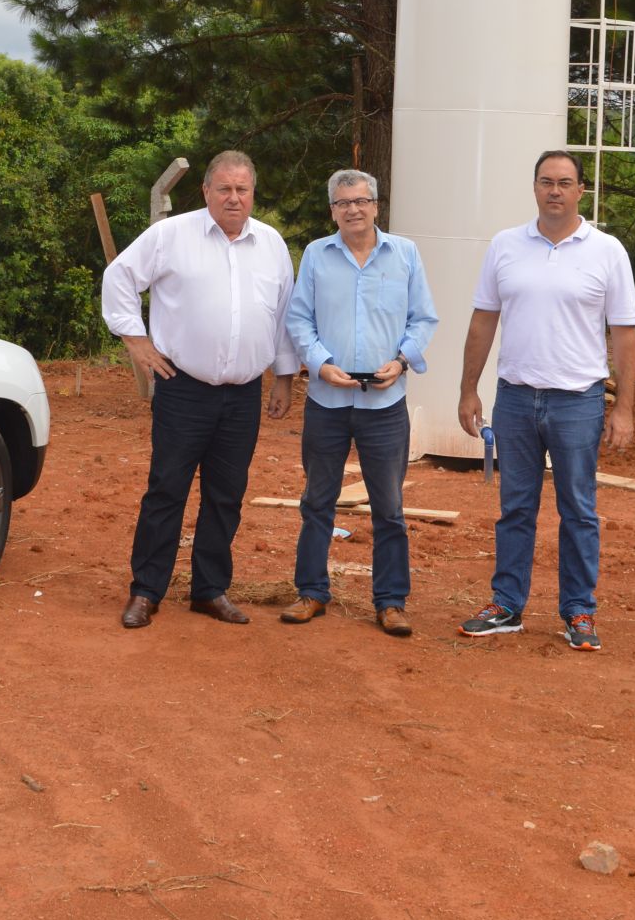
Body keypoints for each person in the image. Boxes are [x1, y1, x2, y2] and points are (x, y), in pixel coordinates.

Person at [102, 150, 298, 630]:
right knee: (166, 490)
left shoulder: (271, 244)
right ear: (207, 191)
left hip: (244, 394)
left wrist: (285, 377)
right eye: (224, 189)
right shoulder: (171, 236)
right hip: (183, 387)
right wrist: (136, 341)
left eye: (243, 189)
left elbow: (284, 316)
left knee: (226, 494)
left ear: (253, 193)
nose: (234, 198)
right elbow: (119, 277)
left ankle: (210, 590)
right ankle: (147, 591)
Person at [456, 149, 635, 651]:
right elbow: (482, 321)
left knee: (578, 509)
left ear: (581, 189)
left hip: (578, 401)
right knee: (515, 507)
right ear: (534, 188)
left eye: (564, 182)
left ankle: (578, 612)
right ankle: (506, 605)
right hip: (514, 397)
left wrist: (623, 408)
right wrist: (469, 388)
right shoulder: (505, 246)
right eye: (545, 181)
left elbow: (623, 333)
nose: (554, 190)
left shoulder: (607, 251)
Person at [282, 169, 437, 638]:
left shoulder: (405, 254)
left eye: (361, 200)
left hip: (385, 405)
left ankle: (390, 602)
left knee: (388, 507)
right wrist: (320, 363)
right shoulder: (315, 255)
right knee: (317, 502)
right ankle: (311, 591)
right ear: (332, 210)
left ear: (375, 206)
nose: (353, 209)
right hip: (327, 401)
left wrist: (402, 360)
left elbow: (423, 318)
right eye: (342, 202)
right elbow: (299, 318)